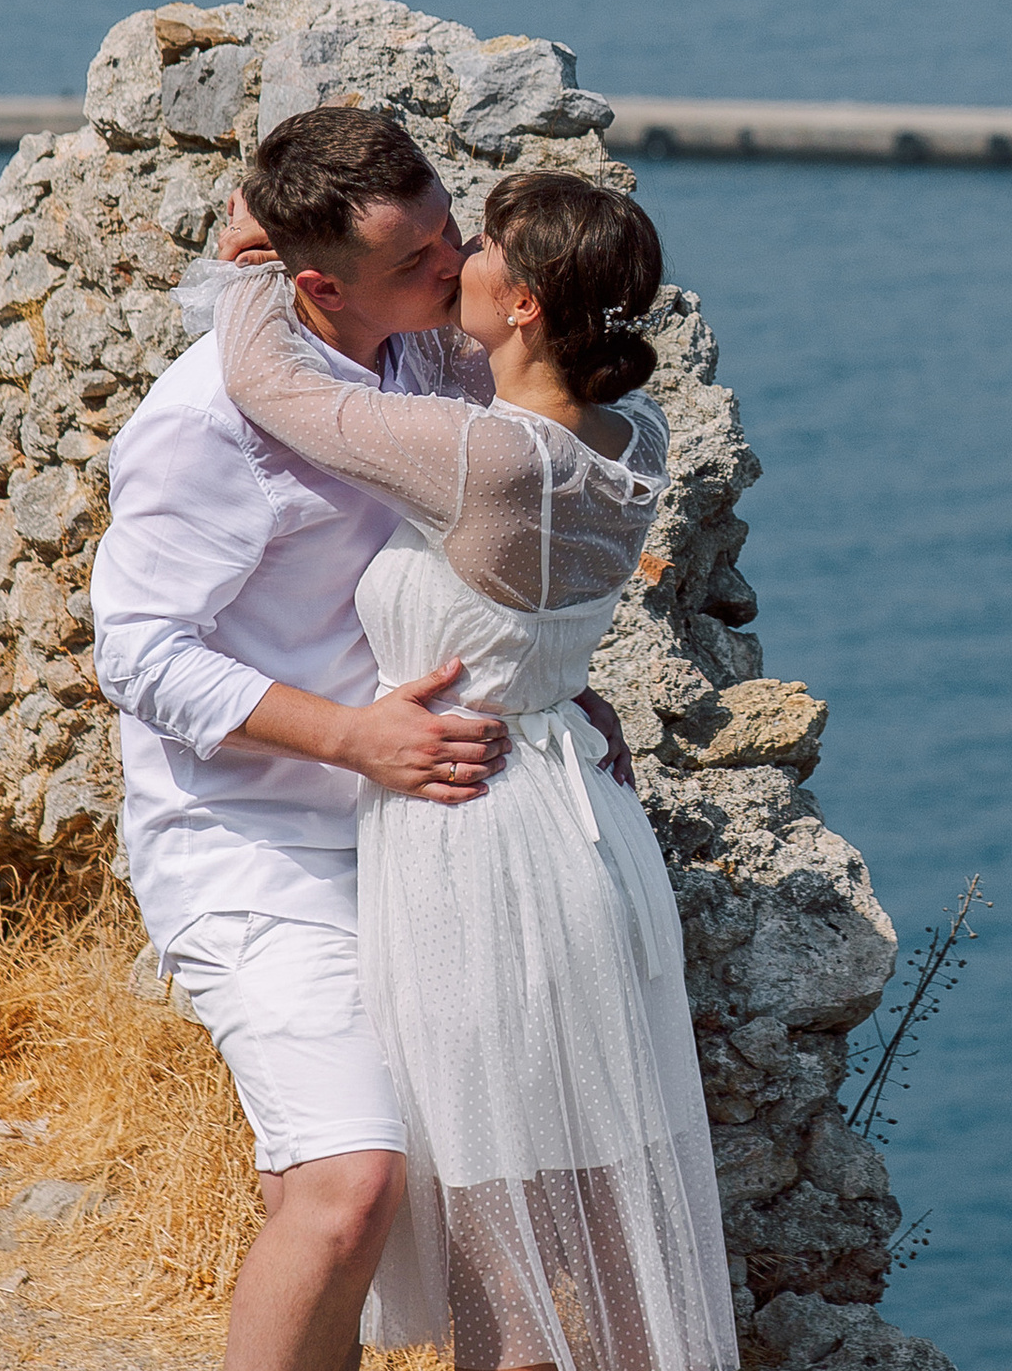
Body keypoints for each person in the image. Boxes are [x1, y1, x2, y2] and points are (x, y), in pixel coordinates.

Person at [91, 105, 629, 1371]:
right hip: (254, 844)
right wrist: (350, 737)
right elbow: (138, 654)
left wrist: (545, 683)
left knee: (445, 1187)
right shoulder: (203, 423)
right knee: (351, 1184)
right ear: (320, 284)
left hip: (429, 838)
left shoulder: (431, 351)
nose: (453, 267)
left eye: (449, 232)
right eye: (415, 258)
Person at [211, 167, 739, 1371]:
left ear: (530, 303)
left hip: (474, 844)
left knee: (501, 1234)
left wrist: (248, 262)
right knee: (596, 1215)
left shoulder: (485, 462)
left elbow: (273, 387)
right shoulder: (633, 435)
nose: (460, 258)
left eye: (486, 247)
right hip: (582, 819)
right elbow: (531, 606)